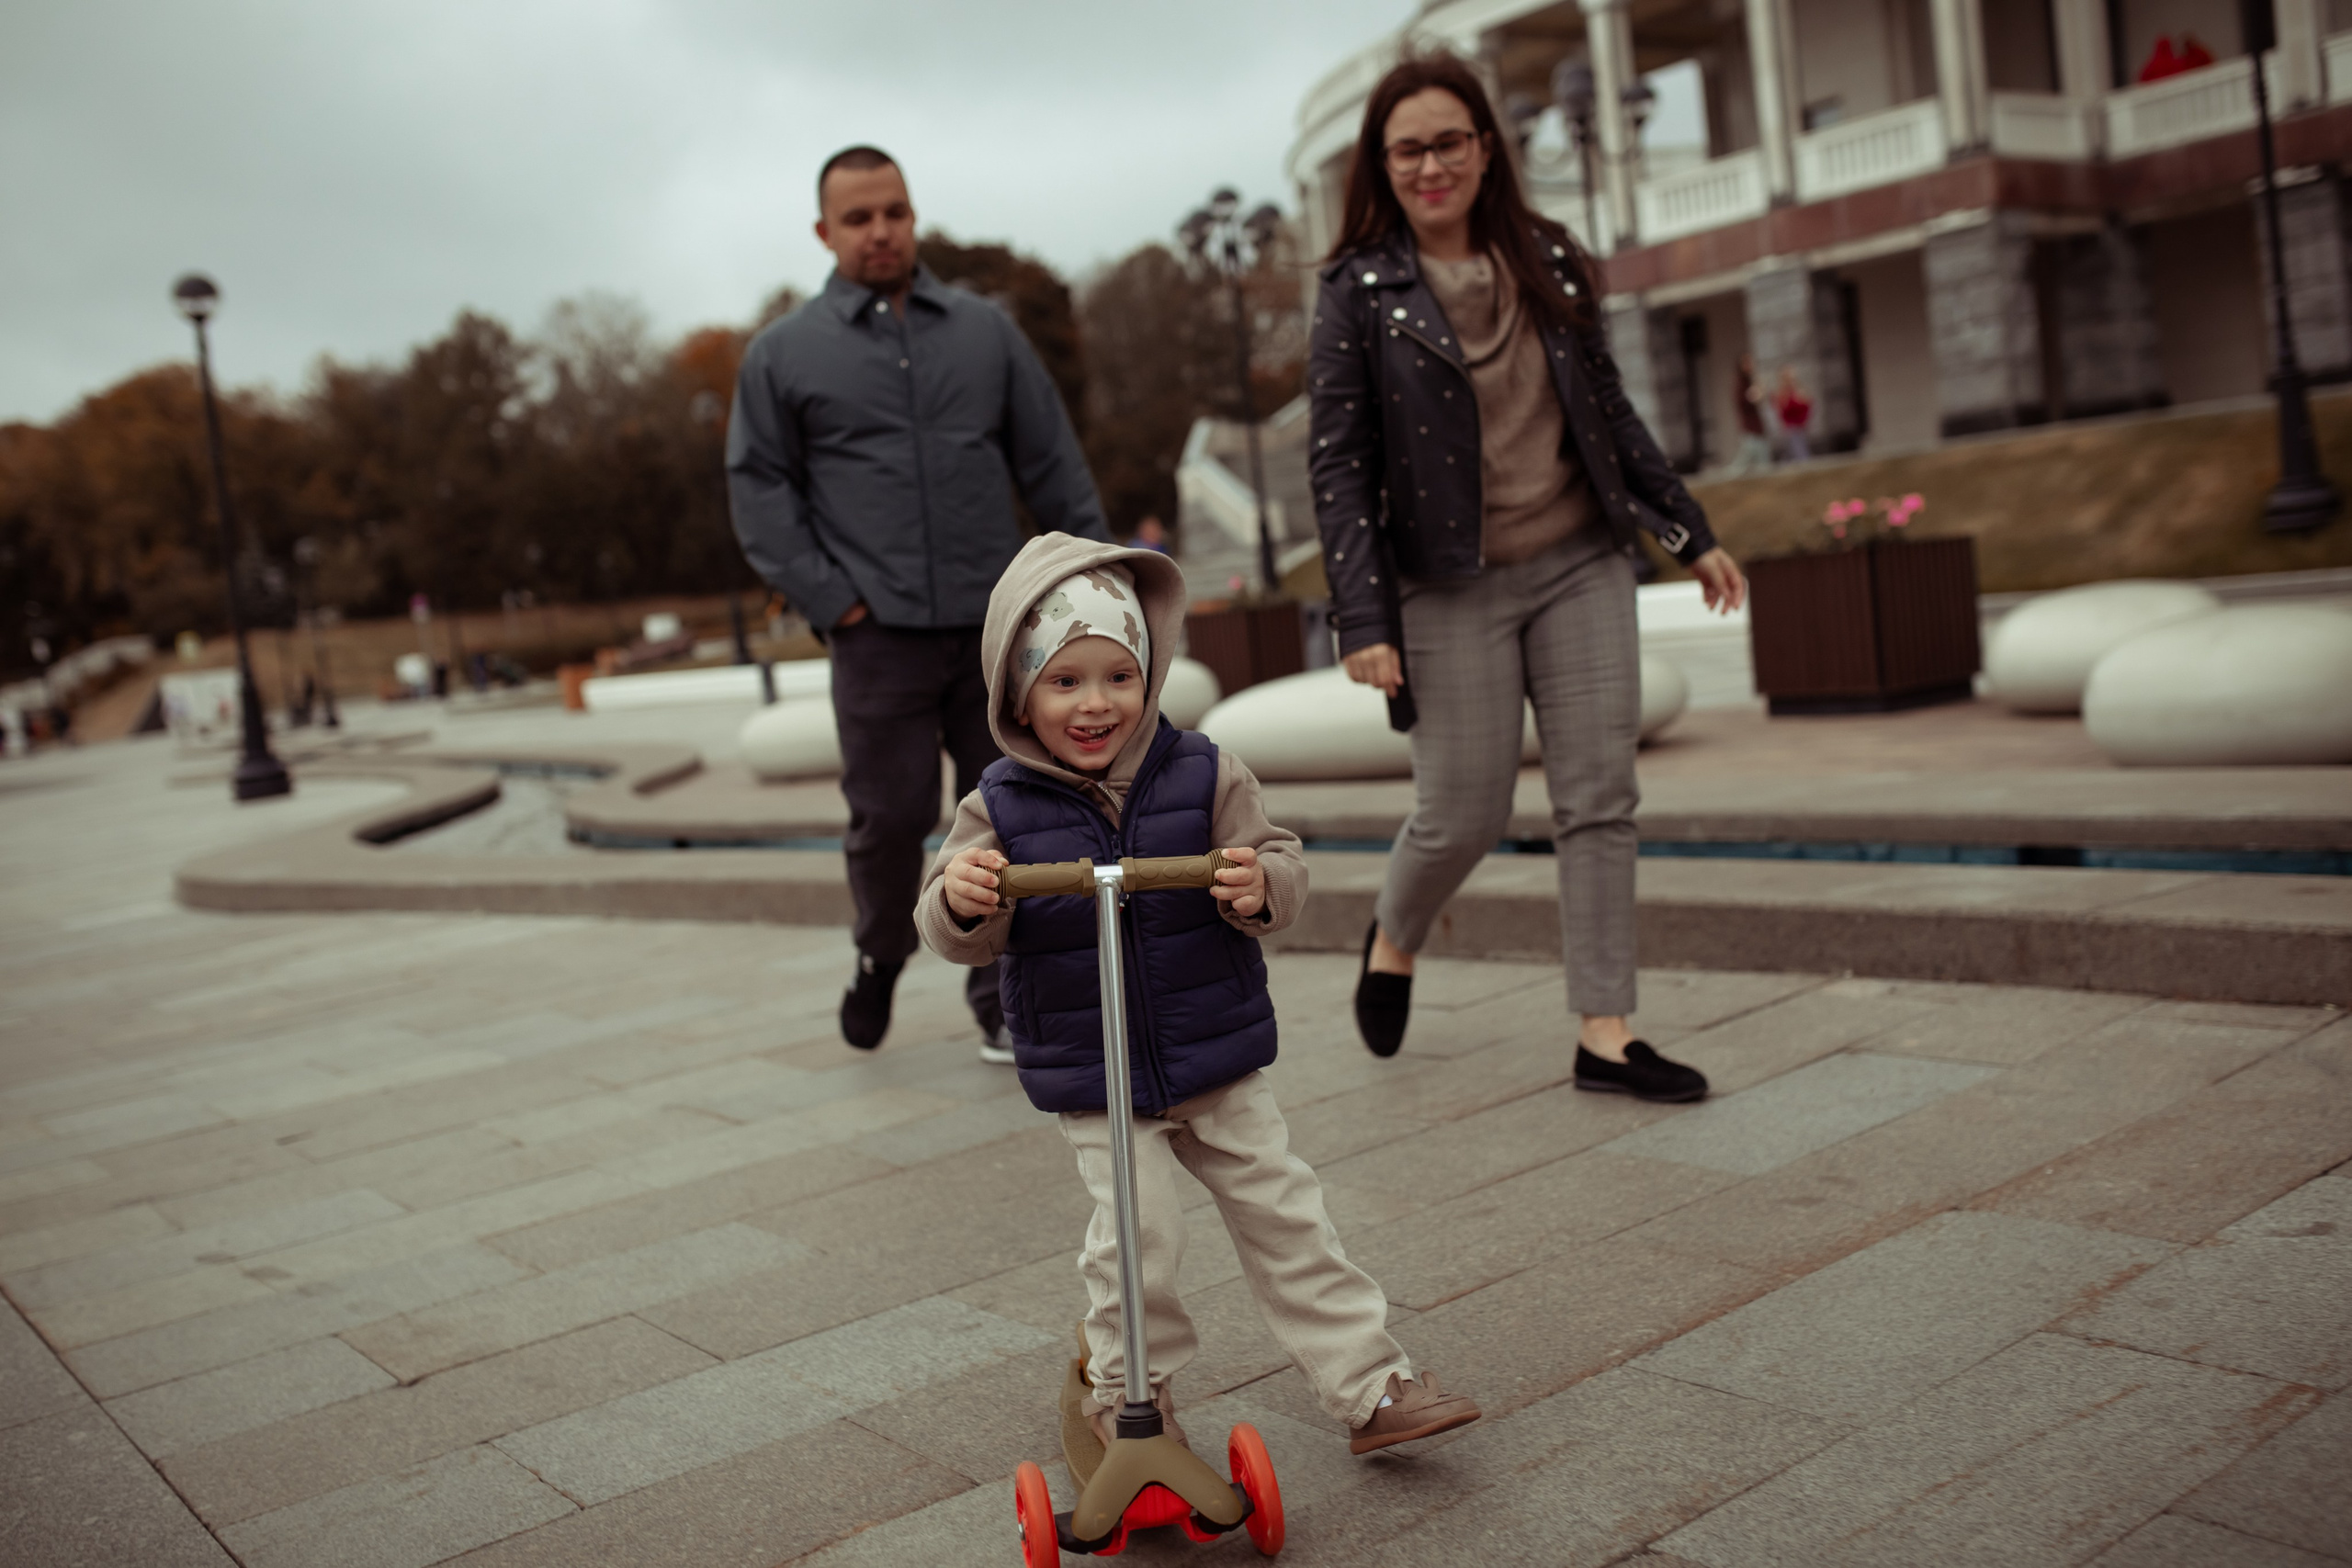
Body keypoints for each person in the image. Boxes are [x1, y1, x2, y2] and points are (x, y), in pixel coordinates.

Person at [919, 531, 1482, 1457]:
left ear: (1149, 674)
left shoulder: (1204, 770)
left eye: (1118, 675)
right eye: (1063, 681)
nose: (1095, 703)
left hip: (1215, 1055)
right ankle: (1130, 1397)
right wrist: (965, 900)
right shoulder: (998, 807)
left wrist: (1259, 887)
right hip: (1095, 1072)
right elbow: (944, 923)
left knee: (1287, 1217)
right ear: (1017, 689)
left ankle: (1370, 1385)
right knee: (1138, 1238)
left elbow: (1279, 859)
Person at [1307, 51, 1747, 1100]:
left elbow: (1608, 410)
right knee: (1461, 810)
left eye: (1449, 142)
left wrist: (1688, 531)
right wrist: (1362, 617)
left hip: (1578, 561)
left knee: (1599, 797)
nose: (1430, 165)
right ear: (1382, 162)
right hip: (1446, 583)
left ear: (1486, 146)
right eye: (1406, 148)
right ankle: (1396, 933)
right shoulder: (1355, 291)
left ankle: (1605, 1034)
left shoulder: (1547, 255)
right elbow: (1338, 465)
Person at [729, 145, 1113, 1061]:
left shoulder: (986, 333)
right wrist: (838, 603)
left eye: (893, 211)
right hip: (877, 637)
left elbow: (1051, 464)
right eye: (857, 218)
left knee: (1009, 815)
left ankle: (999, 996)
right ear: (825, 233)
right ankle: (880, 954)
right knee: (891, 818)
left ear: (913, 216)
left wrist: (1097, 581)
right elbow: (760, 493)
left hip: (993, 634)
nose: (879, 231)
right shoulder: (782, 354)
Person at [1729, 352, 1772, 475]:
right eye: (1747, 363)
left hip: (1756, 430)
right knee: (1742, 464)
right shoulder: (1740, 384)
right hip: (1750, 431)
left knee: (1763, 465)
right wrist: (1758, 392)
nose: (1751, 365)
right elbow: (1749, 400)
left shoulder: (1748, 381)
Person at [1774, 366, 1814, 464]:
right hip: (1791, 428)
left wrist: (1803, 400)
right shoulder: (1783, 394)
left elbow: (1808, 405)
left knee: (1796, 454)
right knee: (1801, 455)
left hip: (1801, 427)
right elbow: (1784, 410)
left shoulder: (1798, 390)